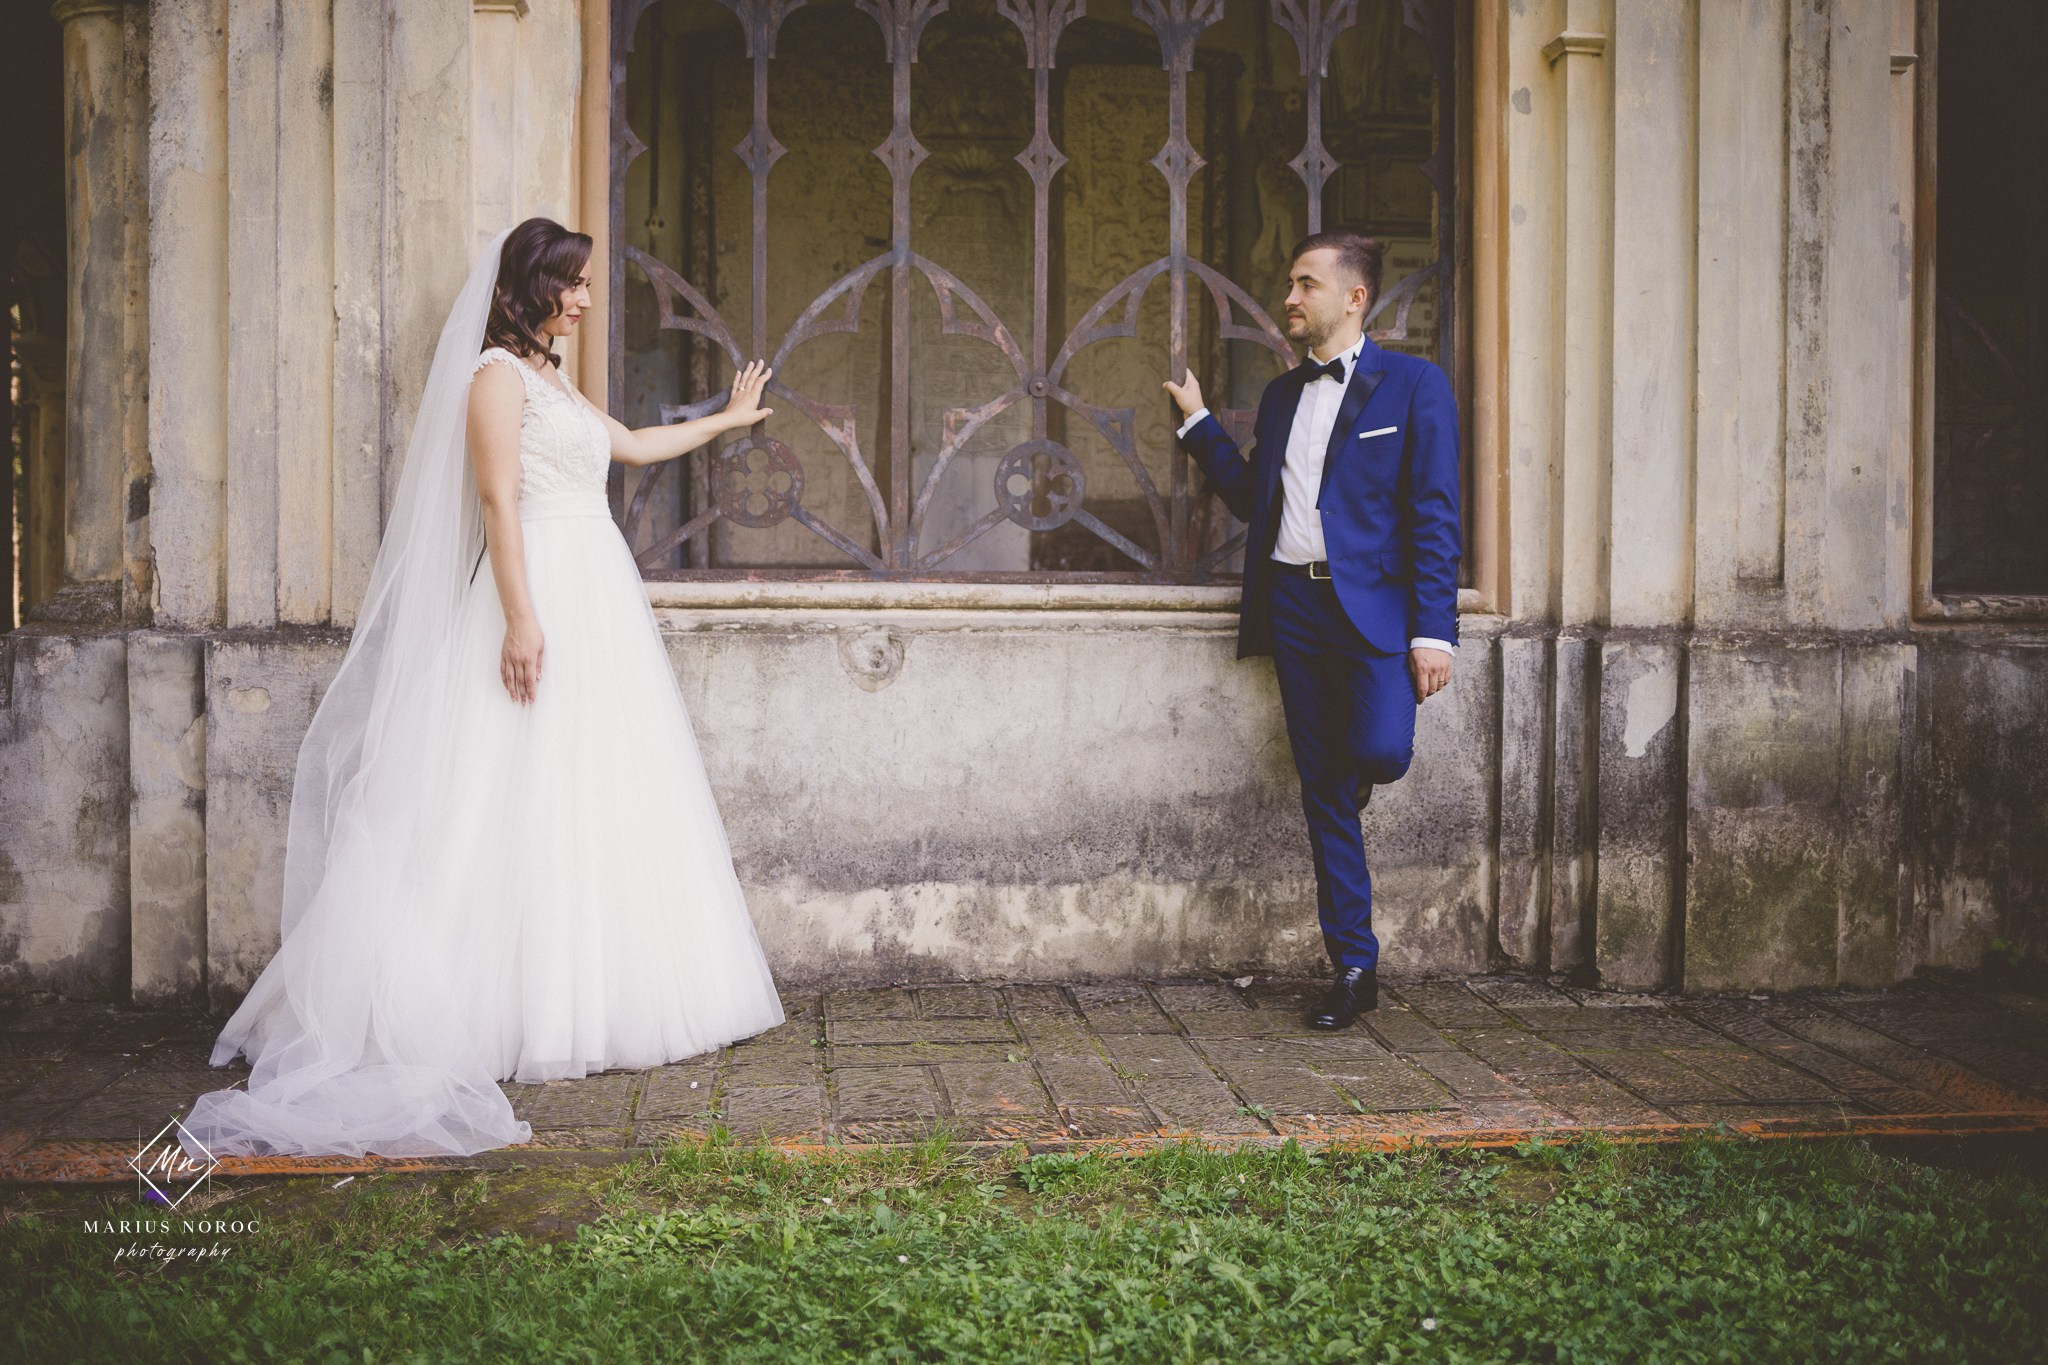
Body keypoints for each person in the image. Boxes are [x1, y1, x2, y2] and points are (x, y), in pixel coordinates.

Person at [180, 218, 785, 1159]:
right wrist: (520, 616)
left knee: (588, 789)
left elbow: (622, 444)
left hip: (597, 594)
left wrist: (725, 422)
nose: (585, 299)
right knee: (494, 796)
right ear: (533, 285)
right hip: (538, 586)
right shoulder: (494, 379)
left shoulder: (548, 378)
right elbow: (501, 498)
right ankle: (485, 1008)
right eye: (573, 283)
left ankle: (598, 999)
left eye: (586, 284)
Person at [1163, 229, 1461, 1031]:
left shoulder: (1416, 387)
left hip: (1374, 615)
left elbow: (1434, 513)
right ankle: (1354, 965)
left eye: (1306, 284)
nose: (1289, 298)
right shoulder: (1282, 397)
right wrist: (1197, 427)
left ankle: (1353, 778)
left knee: (1380, 753)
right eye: (1290, 284)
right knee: (1323, 793)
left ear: (1354, 297)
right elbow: (1254, 496)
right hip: (1294, 607)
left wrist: (1434, 631)